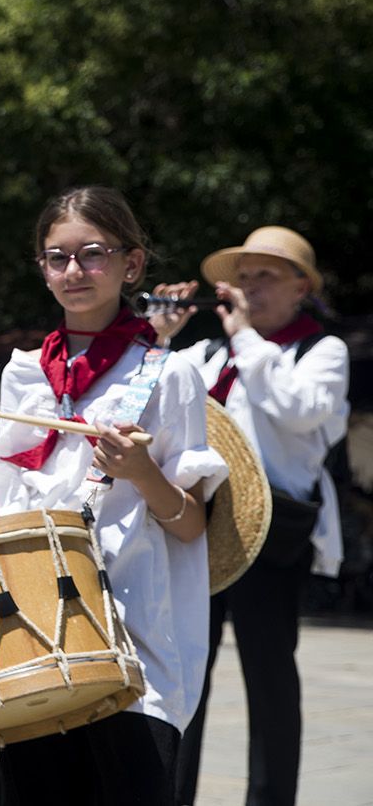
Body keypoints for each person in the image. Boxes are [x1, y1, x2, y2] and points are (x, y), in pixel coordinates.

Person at [0, 186, 226, 806]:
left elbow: (191, 524)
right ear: (41, 270)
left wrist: (144, 474)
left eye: (92, 254)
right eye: (57, 257)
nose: (74, 271)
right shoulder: (22, 374)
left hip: (135, 642)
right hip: (32, 640)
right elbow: (17, 509)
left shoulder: (166, 373)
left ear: (132, 264)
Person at [161, 227, 350, 806]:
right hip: (204, 521)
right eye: (243, 276)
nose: (250, 287)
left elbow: (298, 410)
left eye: (267, 275)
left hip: (275, 529)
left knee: (270, 673)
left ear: (302, 287)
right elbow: (156, 399)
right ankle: (171, 794)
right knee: (185, 670)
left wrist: (245, 336)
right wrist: (160, 338)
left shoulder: (322, 351)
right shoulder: (208, 352)